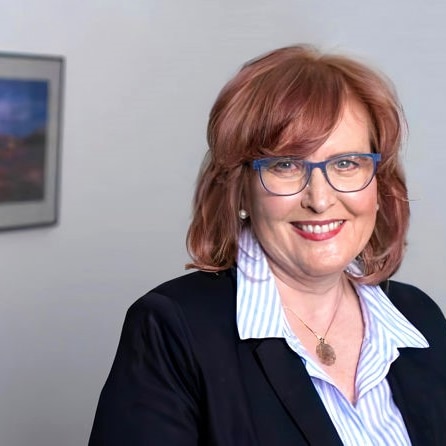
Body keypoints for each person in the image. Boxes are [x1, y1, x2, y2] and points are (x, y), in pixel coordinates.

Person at [88, 45, 446, 445]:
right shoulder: (173, 329)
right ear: (240, 189)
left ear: (380, 183)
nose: (320, 199)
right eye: (286, 165)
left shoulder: (419, 318)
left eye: (346, 163)